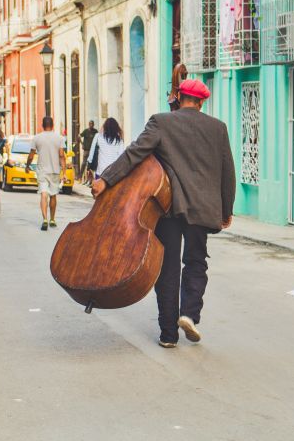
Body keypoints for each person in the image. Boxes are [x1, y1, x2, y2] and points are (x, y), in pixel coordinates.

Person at [92, 79, 236, 348]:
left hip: (170, 207)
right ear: (202, 102)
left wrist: (106, 180)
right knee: (196, 262)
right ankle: (189, 314)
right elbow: (228, 173)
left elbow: (134, 153)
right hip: (203, 210)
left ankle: (168, 334)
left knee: (167, 268)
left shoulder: (161, 122)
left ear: (179, 97)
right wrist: (226, 210)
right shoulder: (218, 128)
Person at [27, 116, 66, 231]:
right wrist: (64, 172)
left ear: (42, 125)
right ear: (53, 125)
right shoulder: (59, 138)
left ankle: (44, 219)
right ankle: (52, 219)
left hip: (42, 170)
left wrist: (27, 165)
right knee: (53, 195)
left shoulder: (37, 138)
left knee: (44, 194)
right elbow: (61, 155)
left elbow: (31, 154)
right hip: (55, 170)